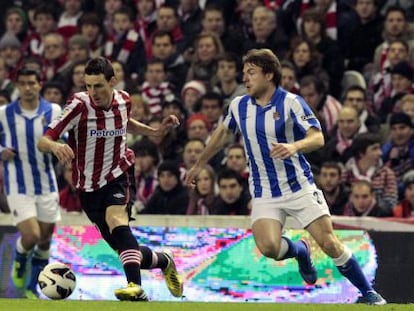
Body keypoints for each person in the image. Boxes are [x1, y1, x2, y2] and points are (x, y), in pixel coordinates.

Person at [185, 48, 386, 305]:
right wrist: (199, 164)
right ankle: (300, 250)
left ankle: (369, 293)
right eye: (244, 73)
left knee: (329, 243)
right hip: (263, 190)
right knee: (269, 247)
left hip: (298, 186)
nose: (244, 78)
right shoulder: (239, 105)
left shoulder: (291, 102)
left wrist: (293, 146)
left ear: (269, 75)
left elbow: (318, 137)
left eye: (251, 73)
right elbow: (221, 135)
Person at [37, 57, 183, 301]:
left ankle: (135, 287)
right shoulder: (78, 105)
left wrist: (154, 131)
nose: (93, 92)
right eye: (89, 86)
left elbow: (126, 123)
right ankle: (164, 261)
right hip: (88, 187)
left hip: (119, 173)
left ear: (113, 81)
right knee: (125, 250)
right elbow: (45, 139)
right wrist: (54, 146)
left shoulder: (124, 100)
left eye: (99, 86)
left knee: (116, 219)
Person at [0, 68, 62, 298]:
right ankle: (19, 261)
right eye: (23, 83)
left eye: (31, 83)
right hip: (18, 185)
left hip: (47, 184)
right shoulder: (4, 113)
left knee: (45, 240)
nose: (27, 88)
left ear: (39, 85)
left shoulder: (53, 110)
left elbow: (62, 138)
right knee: (32, 236)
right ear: (17, 85)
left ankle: (31, 288)